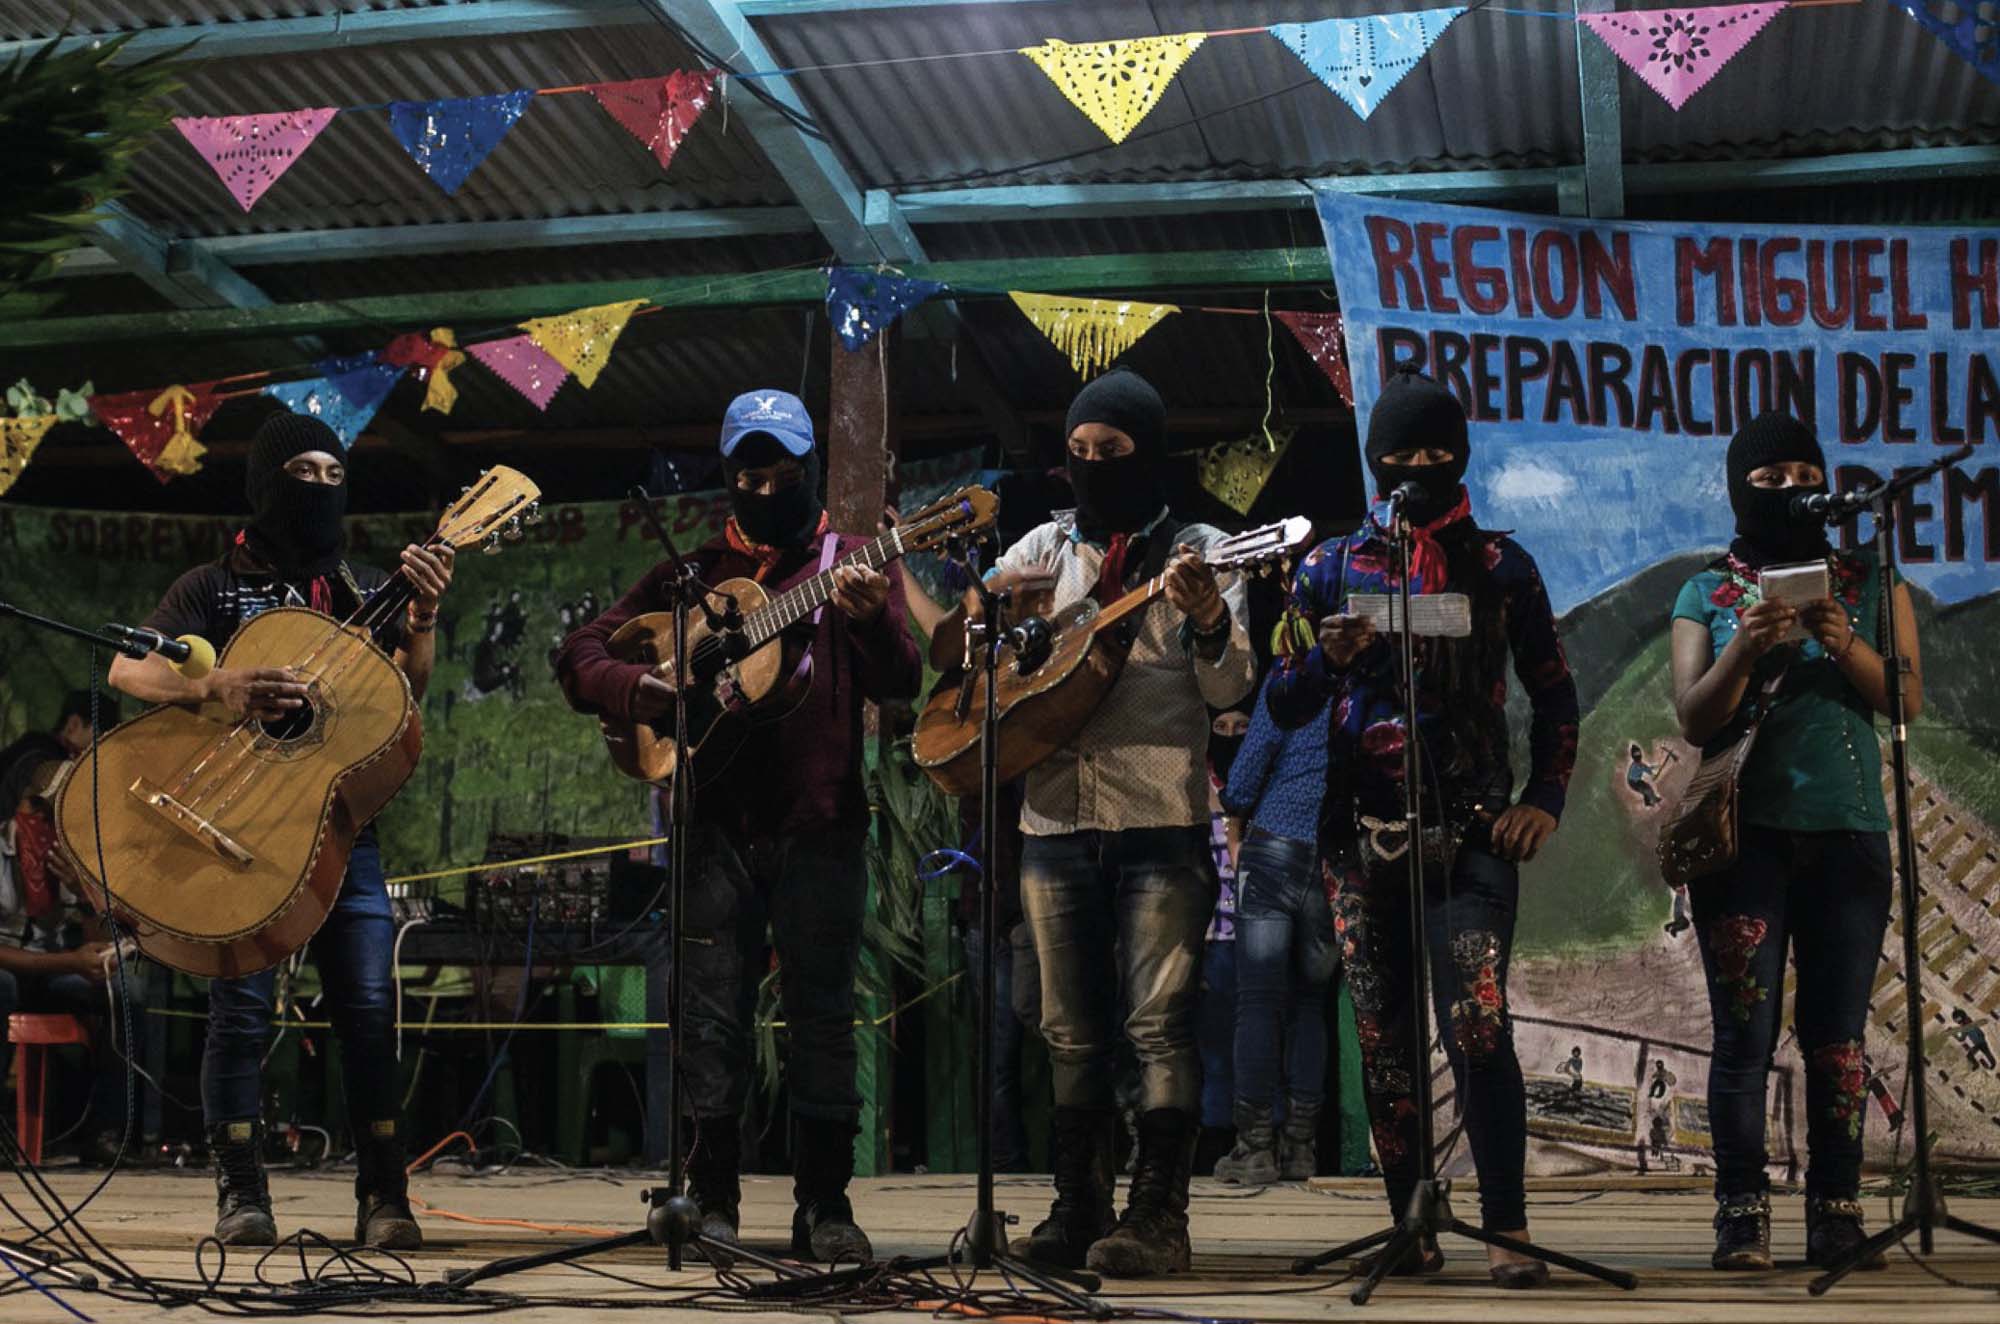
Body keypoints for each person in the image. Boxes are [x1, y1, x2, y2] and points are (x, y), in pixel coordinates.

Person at [556, 389, 920, 1264]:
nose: (766, 486)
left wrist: (868, 622)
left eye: (783, 470)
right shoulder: (688, 576)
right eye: (750, 472)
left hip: (820, 822)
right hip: (712, 825)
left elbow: (900, 679)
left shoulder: (852, 563)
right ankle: (712, 1197)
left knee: (823, 1017)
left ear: (810, 470)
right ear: (730, 476)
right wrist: (636, 690)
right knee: (708, 1015)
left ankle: (824, 1206)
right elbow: (579, 656)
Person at [931, 367, 1256, 1277]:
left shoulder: (1205, 549)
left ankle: (1159, 1217)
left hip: (1160, 816)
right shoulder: (1045, 544)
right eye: (1076, 454)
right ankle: (1078, 1207)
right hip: (1051, 821)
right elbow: (962, 669)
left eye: (1109, 455)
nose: (1090, 470)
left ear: (1146, 454)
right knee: (1067, 1030)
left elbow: (1232, 689)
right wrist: (1002, 622)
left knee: (1158, 1028)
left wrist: (1203, 625)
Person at [107, 411, 455, 1249]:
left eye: (335, 475)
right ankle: (241, 1192)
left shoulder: (370, 587)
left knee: (369, 1010)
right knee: (241, 1011)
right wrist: (219, 685)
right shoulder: (209, 589)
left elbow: (405, 697)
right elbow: (127, 665)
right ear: (265, 483)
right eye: (302, 471)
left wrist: (424, 621)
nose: (320, 488)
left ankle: (384, 1196)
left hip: (342, 830)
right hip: (239, 829)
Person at [1266, 366, 1579, 1289]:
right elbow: (1279, 702)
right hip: (1360, 839)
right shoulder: (1326, 568)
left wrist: (1547, 799)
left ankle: (1508, 1228)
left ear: (1462, 457)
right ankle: (1411, 1220)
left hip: (1476, 831)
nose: (1418, 469)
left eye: (1437, 455)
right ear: (1374, 465)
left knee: (1477, 1027)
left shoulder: (1503, 567)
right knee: (1383, 1040)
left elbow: (1555, 694)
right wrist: (1322, 663)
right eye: (1400, 457)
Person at [1670, 410, 1919, 1272]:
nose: (1788, 491)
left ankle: (1837, 1215)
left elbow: (1906, 701)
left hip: (1850, 837)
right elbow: (1693, 714)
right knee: (1745, 1038)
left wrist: (1843, 641)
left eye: (1802, 476)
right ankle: (1741, 1218)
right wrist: (1744, 646)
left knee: (1837, 1036)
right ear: (1740, 490)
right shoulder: (1706, 591)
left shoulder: (1868, 580)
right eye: (1767, 479)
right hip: (1747, 845)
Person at [1, 692, 150, 1162]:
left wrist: (87, 895)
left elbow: (95, 945)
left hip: (49, 970)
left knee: (127, 987)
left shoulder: (69, 851)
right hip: (13, 968)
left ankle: (108, 1132)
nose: (44, 822)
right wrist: (69, 961)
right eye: (39, 810)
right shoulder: (4, 845)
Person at [1212, 674, 1333, 1187]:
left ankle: (1255, 1147)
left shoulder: (1291, 677)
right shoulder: (1371, 687)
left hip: (1273, 849)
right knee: (1311, 1004)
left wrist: (1237, 804)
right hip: (1333, 857)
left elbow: (1244, 776)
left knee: (1258, 1001)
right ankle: (1301, 1148)